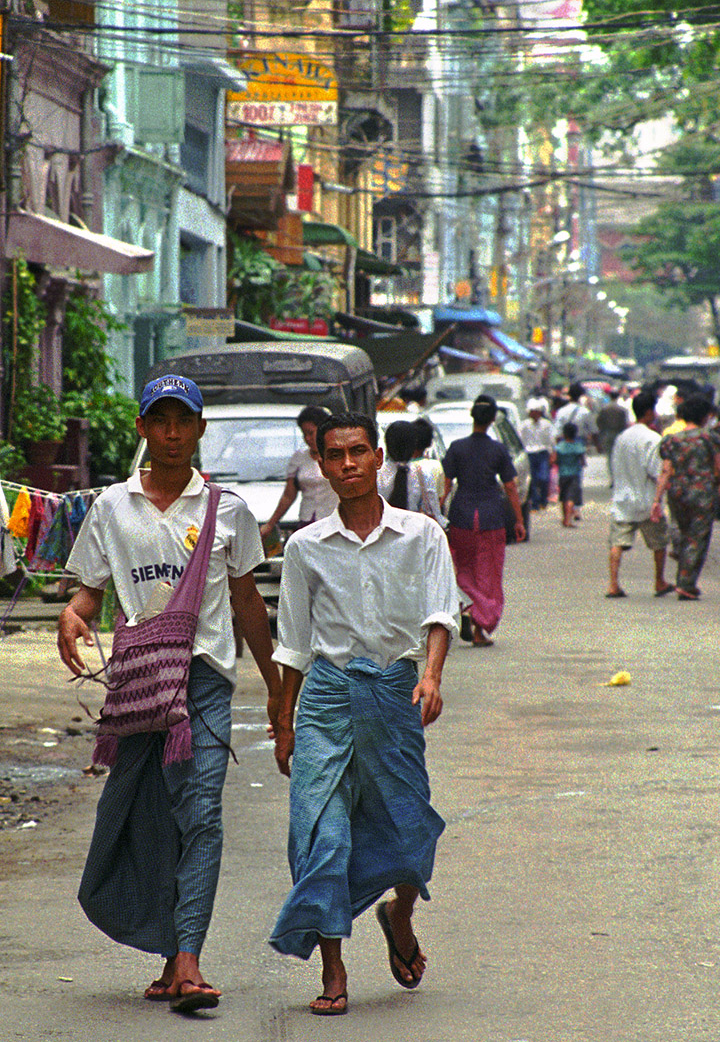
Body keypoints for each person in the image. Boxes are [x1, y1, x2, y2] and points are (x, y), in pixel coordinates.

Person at [57, 374, 282, 1014]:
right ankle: (168, 954)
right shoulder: (111, 507)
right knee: (149, 815)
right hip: (138, 684)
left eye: (184, 420)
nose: (173, 432)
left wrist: (274, 689)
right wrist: (73, 615)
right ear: (143, 429)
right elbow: (90, 592)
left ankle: (188, 958)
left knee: (202, 812)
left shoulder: (229, 511)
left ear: (201, 429)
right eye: (161, 420)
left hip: (204, 681)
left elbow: (246, 603)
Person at [268, 412, 459, 1016]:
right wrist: (284, 721)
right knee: (321, 835)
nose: (347, 464)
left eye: (357, 452)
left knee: (408, 830)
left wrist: (430, 676)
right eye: (334, 455)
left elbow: (439, 613)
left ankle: (398, 913)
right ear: (320, 465)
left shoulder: (423, 535)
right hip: (326, 697)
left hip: (395, 693)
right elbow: (293, 642)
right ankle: (333, 968)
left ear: (378, 457)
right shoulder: (305, 547)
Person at [441, 395, 526, 647]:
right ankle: (479, 627)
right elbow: (511, 487)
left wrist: (436, 515)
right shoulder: (498, 450)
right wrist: (519, 521)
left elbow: (445, 486)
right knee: (488, 575)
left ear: (472, 416)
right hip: (490, 517)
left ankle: (468, 607)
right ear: (492, 420)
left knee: (463, 568)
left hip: (461, 516)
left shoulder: (456, 448)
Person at [650, 393, 720, 600]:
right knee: (698, 538)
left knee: (683, 531)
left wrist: (656, 500)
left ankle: (682, 567)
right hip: (702, 493)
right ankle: (686, 584)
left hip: (677, 492)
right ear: (705, 416)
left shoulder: (671, 440)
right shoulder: (709, 438)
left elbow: (665, 471)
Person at [606, 390, 674, 598]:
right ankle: (659, 581)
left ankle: (613, 584)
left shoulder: (622, 437)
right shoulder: (652, 438)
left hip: (623, 500)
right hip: (646, 500)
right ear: (648, 412)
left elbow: (614, 466)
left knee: (617, 542)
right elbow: (657, 471)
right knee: (659, 542)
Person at [260, 405, 337, 542]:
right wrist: (271, 523)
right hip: (307, 521)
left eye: (311, 433)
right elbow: (288, 496)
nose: (308, 438)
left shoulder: (337, 455)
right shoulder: (299, 458)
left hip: (334, 521)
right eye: (304, 434)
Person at [378, 419, 448, 528]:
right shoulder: (423, 474)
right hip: (413, 534)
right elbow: (433, 512)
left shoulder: (376, 474)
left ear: (387, 444)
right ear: (413, 445)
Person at [553, 382, 598, 517]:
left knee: (563, 475)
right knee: (577, 476)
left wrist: (557, 448)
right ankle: (575, 507)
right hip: (578, 442)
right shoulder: (585, 412)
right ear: (581, 396)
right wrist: (597, 445)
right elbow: (593, 430)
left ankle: (566, 506)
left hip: (563, 442)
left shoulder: (561, 411)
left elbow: (556, 433)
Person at [519, 397, 555, 510]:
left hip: (543, 453)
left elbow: (551, 440)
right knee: (532, 480)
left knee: (544, 478)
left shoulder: (546, 424)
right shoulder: (524, 425)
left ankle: (543, 500)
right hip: (529, 454)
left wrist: (553, 453)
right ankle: (535, 503)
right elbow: (521, 440)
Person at [552, 421, 585, 529]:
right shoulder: (578, 446)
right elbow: (583, 461)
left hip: (562, 474)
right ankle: (567, 520)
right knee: (571, 498)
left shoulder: (559, 446)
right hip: (574, 474)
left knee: (564, 496)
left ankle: (564, 518)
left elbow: (554, 460)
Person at [595, 389, 629, 487]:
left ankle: (613, 478)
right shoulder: (622, 410)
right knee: (619, 456)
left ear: (609, 396)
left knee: (610, 457)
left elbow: (599, 422)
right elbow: (625, 423)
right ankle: (619, 479)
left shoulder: (604, 409)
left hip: (607, 434)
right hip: (619, 434)